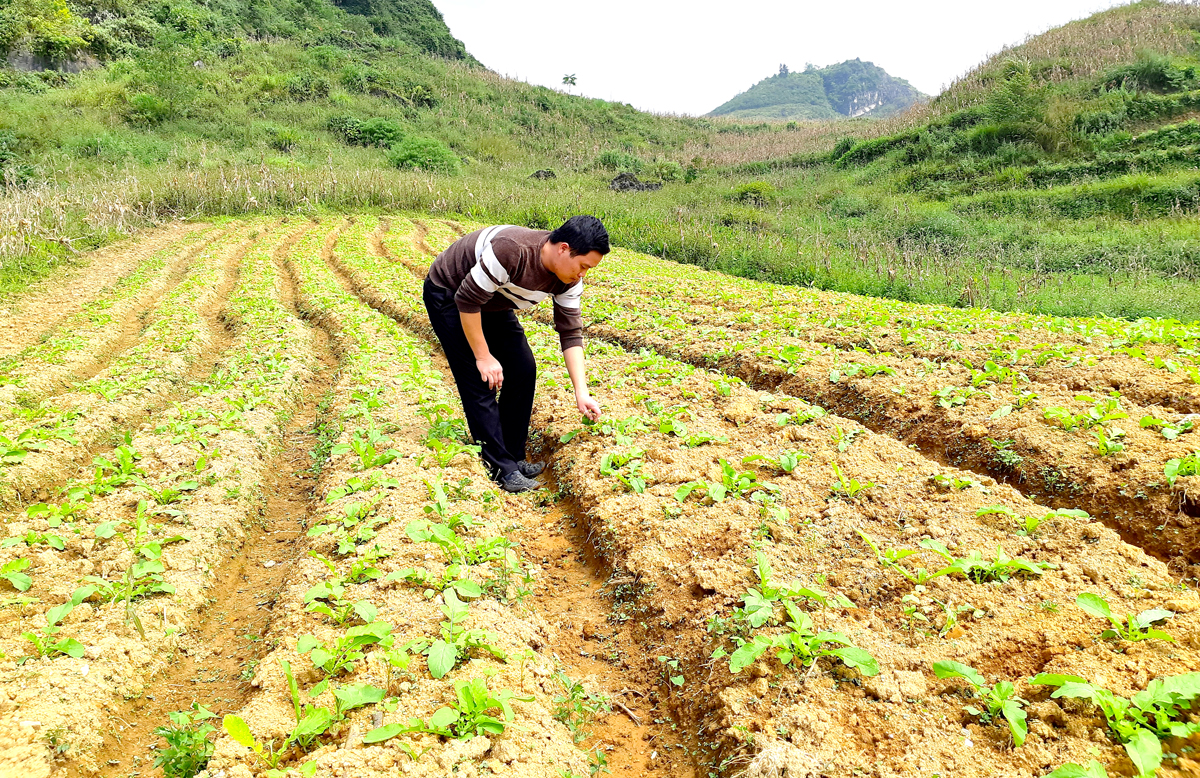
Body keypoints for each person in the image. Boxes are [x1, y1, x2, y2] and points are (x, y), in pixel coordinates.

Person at [423, 215, 609, 493]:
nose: (583, 274)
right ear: (563, 248)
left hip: (494, 301)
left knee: (522, 369)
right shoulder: (512, 250)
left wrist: (581, 393)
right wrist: (484, 357)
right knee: (479, 379)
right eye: (582, 266)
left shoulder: (569, 280)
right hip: (450, 294)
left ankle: (513, 455)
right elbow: (467, 299)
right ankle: (500, 468)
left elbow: (570, 333)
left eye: (589, 269)